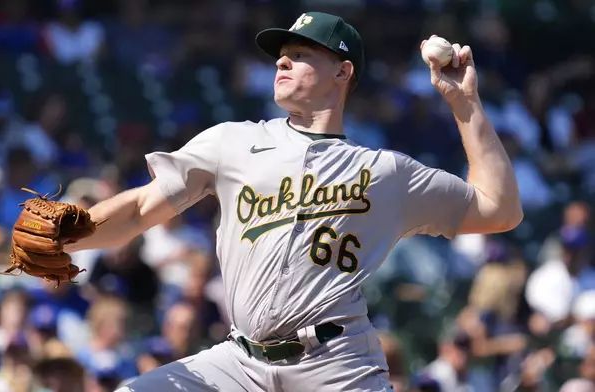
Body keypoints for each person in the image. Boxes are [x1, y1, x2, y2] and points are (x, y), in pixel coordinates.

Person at [65, 11, 522, 392]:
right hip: (238, 364)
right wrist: (65, 236)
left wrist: (465, 103)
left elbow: (499, 210)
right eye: (281, 56)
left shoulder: (386, 172)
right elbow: (141, 209)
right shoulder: (232, 142)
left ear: (343, 72)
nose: (282, 62)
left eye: (300, 55)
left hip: (337, 366)